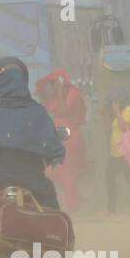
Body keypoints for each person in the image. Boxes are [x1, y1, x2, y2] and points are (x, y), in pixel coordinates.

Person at [0, 57, 66, 254]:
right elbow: (55, 149)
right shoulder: (38, 112)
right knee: (52, 209)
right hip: (34, 183)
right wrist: (55, 158)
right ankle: (57, 251)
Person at [36, 69, 88, 212]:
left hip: (70, 140)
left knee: (68, 174)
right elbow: (47, 108)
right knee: (53, 173)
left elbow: (63, 111)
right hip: (59, 139)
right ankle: (76, 198)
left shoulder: (72, 94)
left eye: (53, 84)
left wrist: (59, 91)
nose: (51, 88)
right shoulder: (56, 97)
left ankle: (73, 206)